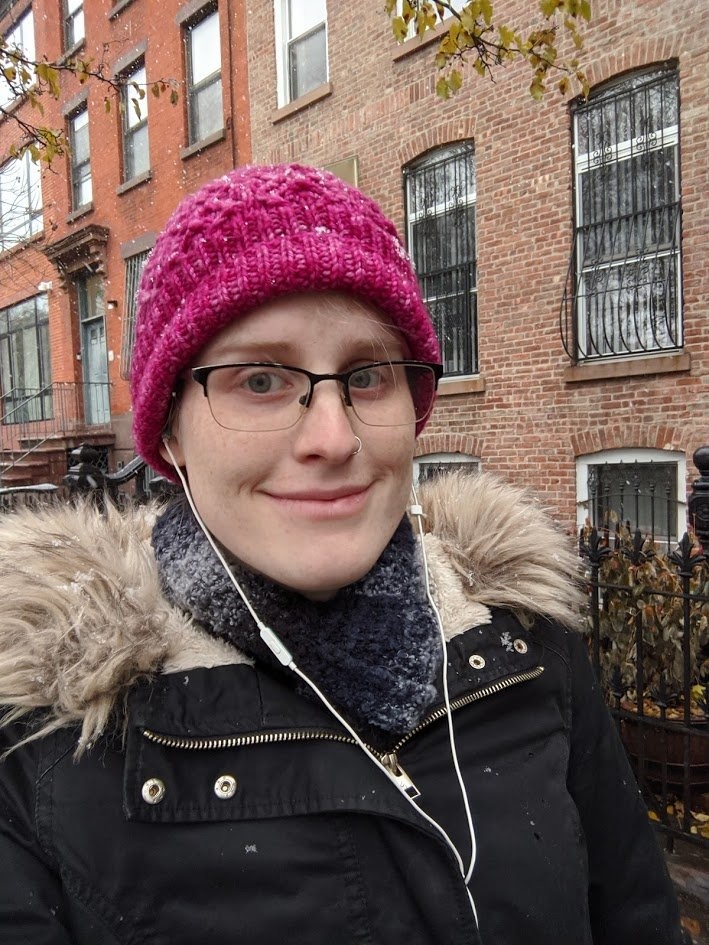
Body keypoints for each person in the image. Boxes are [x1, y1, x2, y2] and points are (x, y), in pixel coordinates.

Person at [0, 163, 688, 945]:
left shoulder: (526, 646)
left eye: (366, 375)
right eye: (260, 378)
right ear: (165, 431)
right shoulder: (41, 749)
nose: (333, 437)